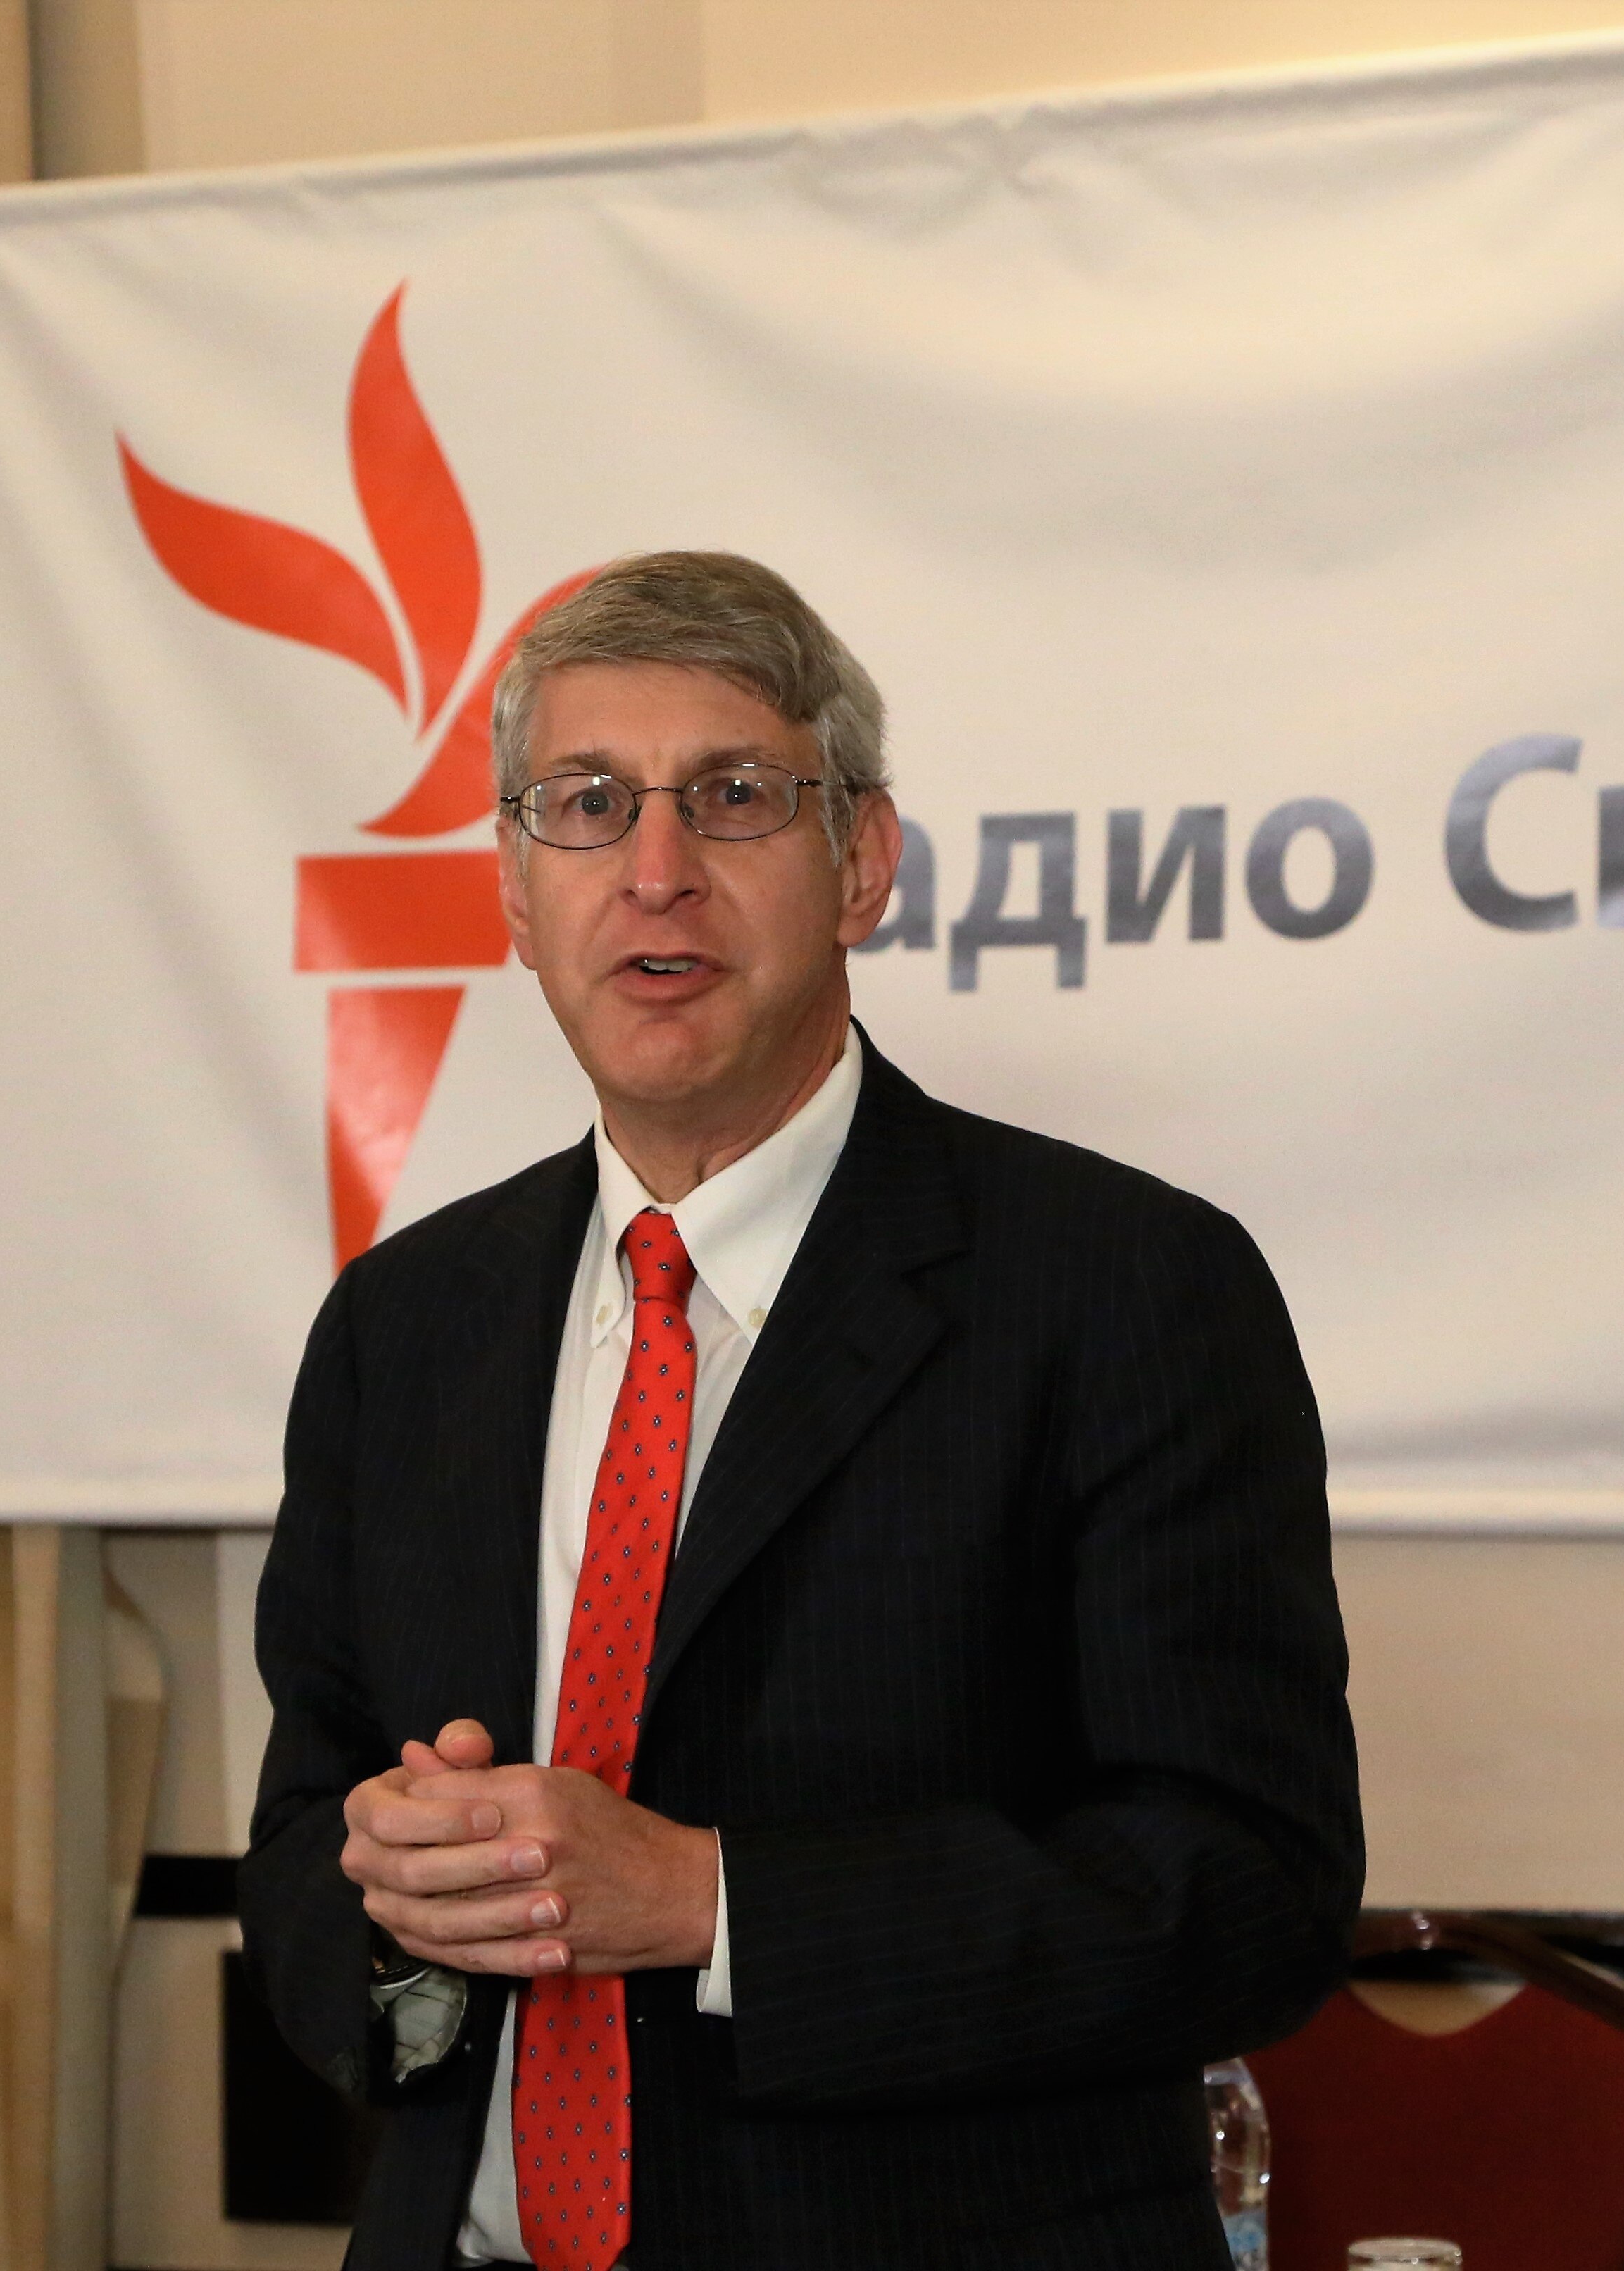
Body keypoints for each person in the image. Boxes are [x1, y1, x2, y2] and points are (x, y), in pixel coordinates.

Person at [239, 552, 1364, 2270]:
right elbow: (297, 1854)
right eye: (587, 805)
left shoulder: (1123, 1285)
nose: (656, 870)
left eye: (734, 796)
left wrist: (707, 1903)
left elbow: (1246, 1892)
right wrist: (399, 1903)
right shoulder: (403, 1325)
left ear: (861, 863)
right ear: (514, 892)